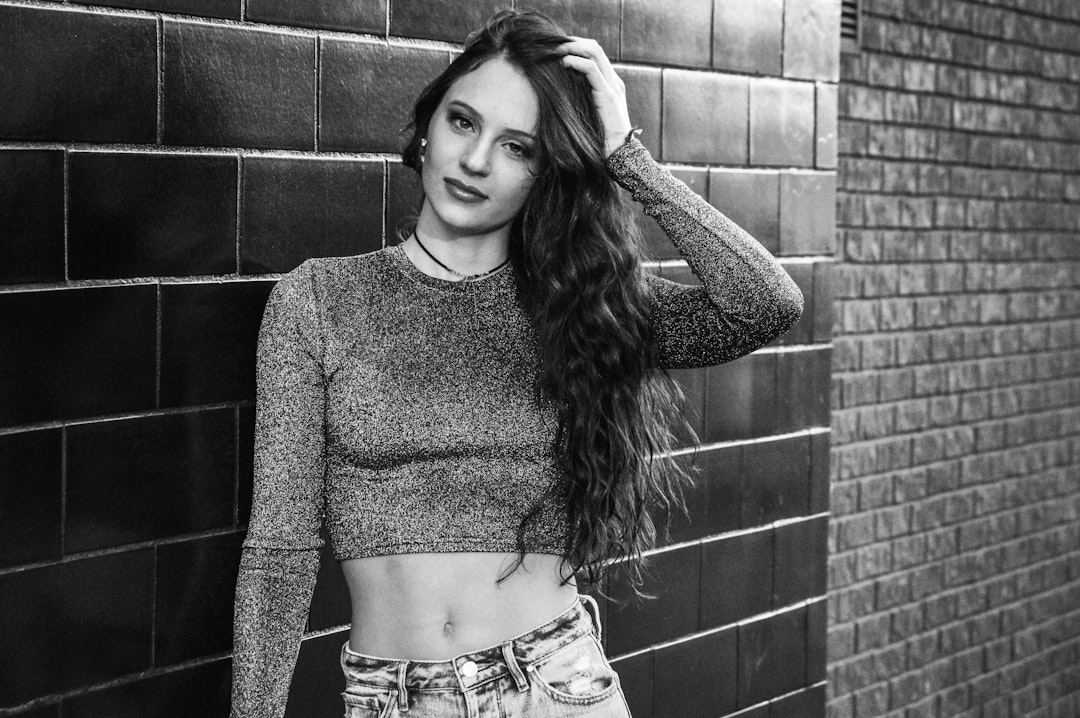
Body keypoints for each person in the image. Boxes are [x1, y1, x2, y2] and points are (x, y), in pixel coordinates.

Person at [231, 9, 803, 718]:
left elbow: (763, 303)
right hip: (394, 697)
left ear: (546, 173)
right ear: (426, 126)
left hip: (556, 684)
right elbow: (280, 549)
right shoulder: (319, 300)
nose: (475, 162)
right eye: (464, 123)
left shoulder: (582, 307)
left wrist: (627, 155)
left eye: (517, 148)